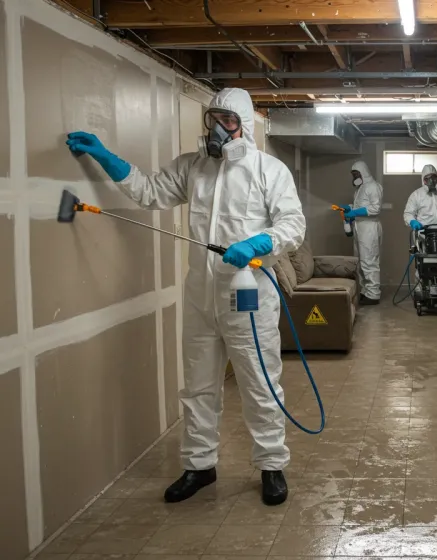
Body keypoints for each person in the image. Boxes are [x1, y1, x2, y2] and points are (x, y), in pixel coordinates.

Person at [65, 88, 305, 506]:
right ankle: (200, 465)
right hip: (200, 294)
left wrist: (258, 242)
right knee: (197, 386)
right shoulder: (192, 168)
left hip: (247, 294)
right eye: (212, 118)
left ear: (243, 126)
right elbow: (149, 192)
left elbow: (293, 224)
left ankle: (271, 466)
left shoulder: (270, 170)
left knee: (259, 384)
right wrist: (107, 158)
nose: (216, 128)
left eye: (227, 120)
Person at [339, 161, 383, 305]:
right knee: (360, 261)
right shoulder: (359, 189)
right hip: (359, 227)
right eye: (353, 175)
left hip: (369, 228)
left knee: (369, 260)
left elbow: (375, 208)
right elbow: (360, 206)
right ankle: (366, 291)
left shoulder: (373, 187)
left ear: (363, 172)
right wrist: (349, 208)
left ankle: (374, 294)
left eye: (356, 174)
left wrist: (354, 212)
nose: (355, 177)